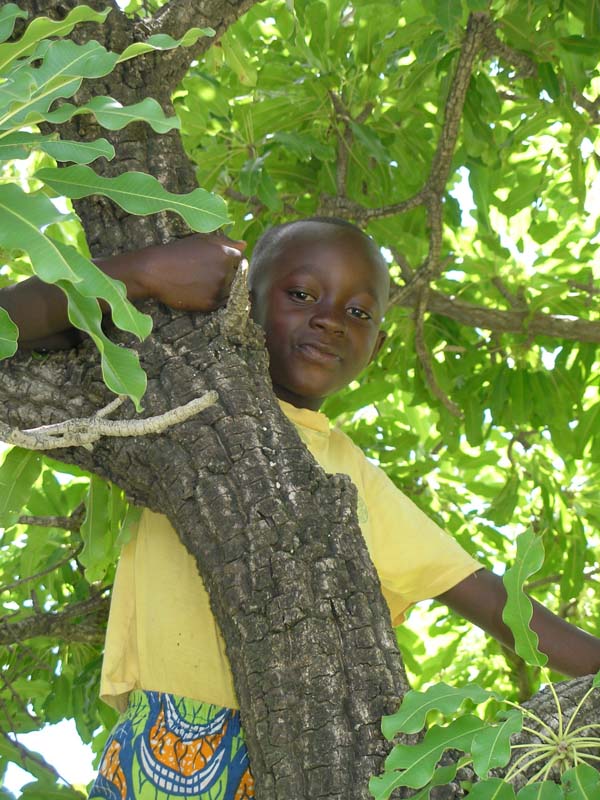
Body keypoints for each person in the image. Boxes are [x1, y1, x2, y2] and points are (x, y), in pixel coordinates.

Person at [2, 218, 600, 800]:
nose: (330, 320)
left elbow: (498, 605)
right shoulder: (161, 394)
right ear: (243, 300)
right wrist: (141, 273)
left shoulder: (351, 473)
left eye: (359, 312)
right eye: (301, 293)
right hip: (160, 747)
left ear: (379, 345)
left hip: (321, 757)